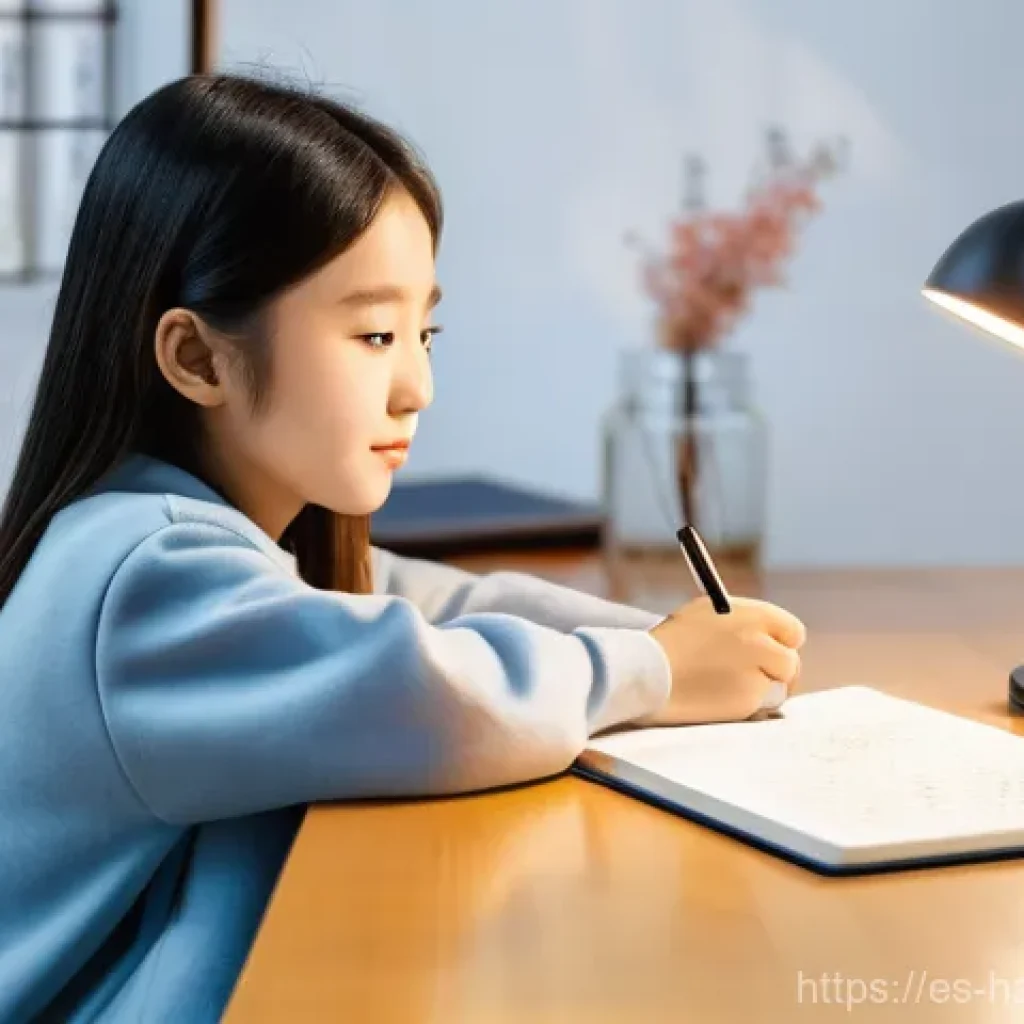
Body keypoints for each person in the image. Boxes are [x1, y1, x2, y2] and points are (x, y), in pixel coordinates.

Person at [0, 72, 806, 1022]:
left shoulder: (198, 540)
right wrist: (654, 671)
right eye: (376, 333)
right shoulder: (145, 577)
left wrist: (667, 642)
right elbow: (414, 691)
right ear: (197, 358)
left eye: (425, 331)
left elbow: (427, 607)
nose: (416, 385)